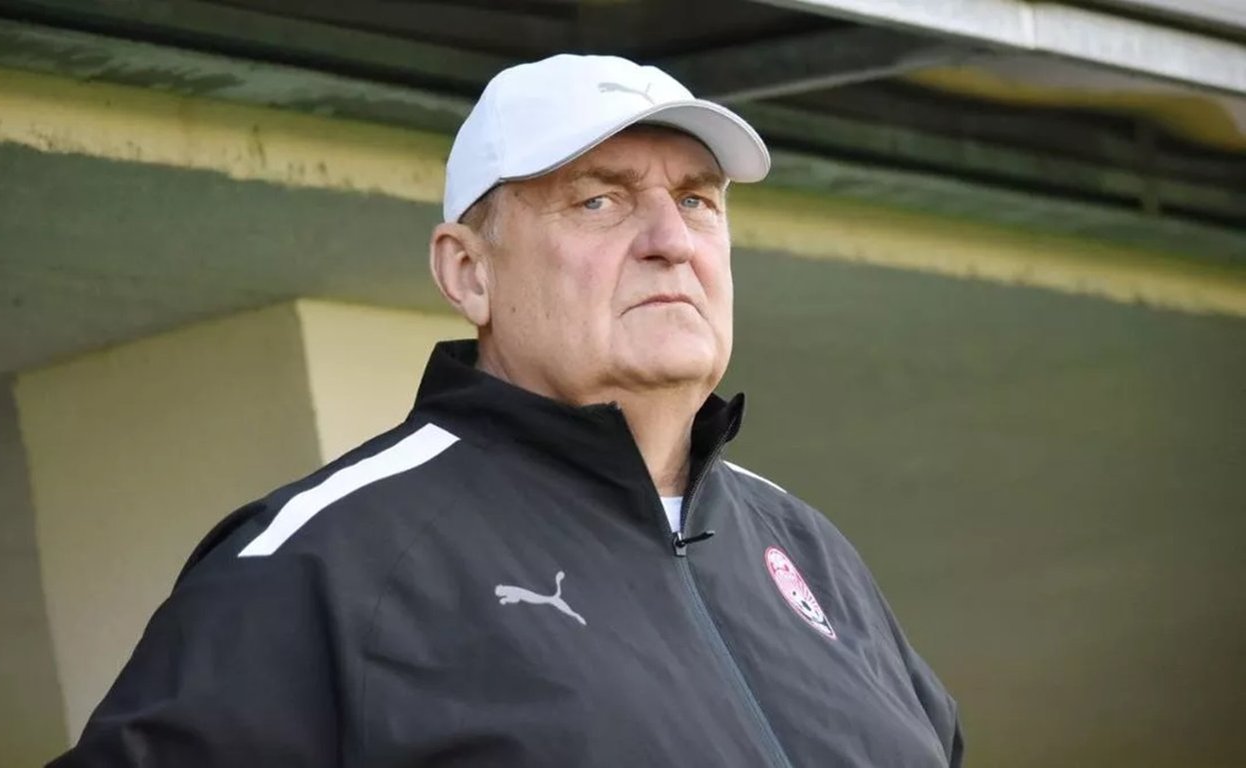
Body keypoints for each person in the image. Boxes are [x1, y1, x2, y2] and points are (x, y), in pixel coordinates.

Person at [50, 53, 962, 767]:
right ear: (468, 273)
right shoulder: (329, 561)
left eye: (696, 201)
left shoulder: (809, 552)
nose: (671, 241)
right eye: (599, 199)